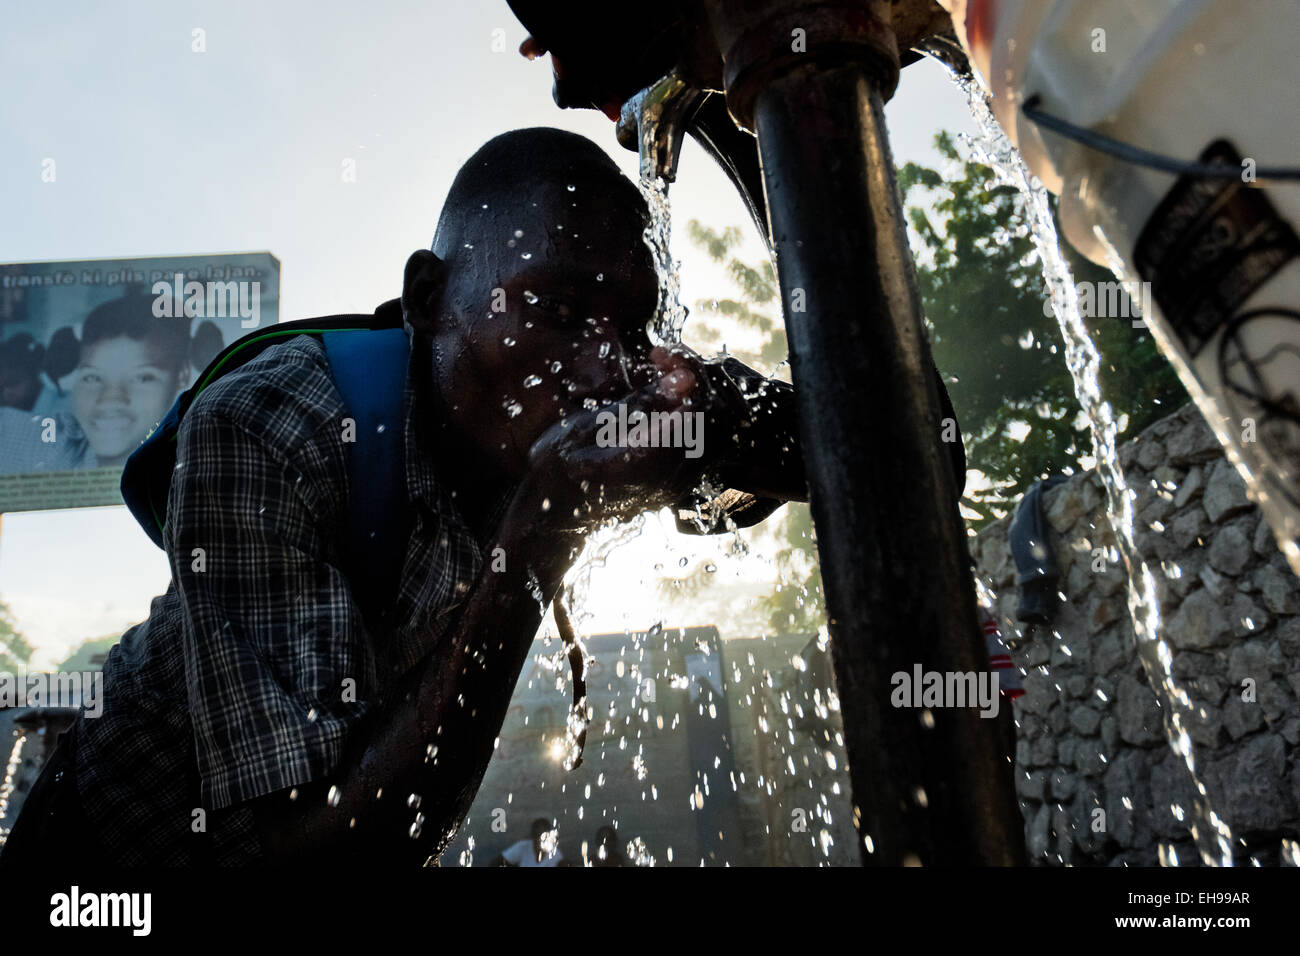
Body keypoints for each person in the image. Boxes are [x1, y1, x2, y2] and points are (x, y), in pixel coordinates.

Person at [0, 127, 956, 867]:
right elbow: (316, 858)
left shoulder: (613, 403)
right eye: (555, 307)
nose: (599, 364)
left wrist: (713, 398)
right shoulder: (269, 428)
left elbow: (914, 461)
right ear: (427, 299)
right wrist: (533, 551)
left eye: (632, 325)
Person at [0, 296, 215, 474]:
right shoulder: (51, 442)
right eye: (92, 377)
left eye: (142, 378)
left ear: (182, 376)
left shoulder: (202, 463)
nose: (110, 399)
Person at [495, 817, 564, 867]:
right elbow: (497, 862)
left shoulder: (556, 855)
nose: (539, 841)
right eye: (537, 836)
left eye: (543, 837)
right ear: (532, 837)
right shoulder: (522, 847)